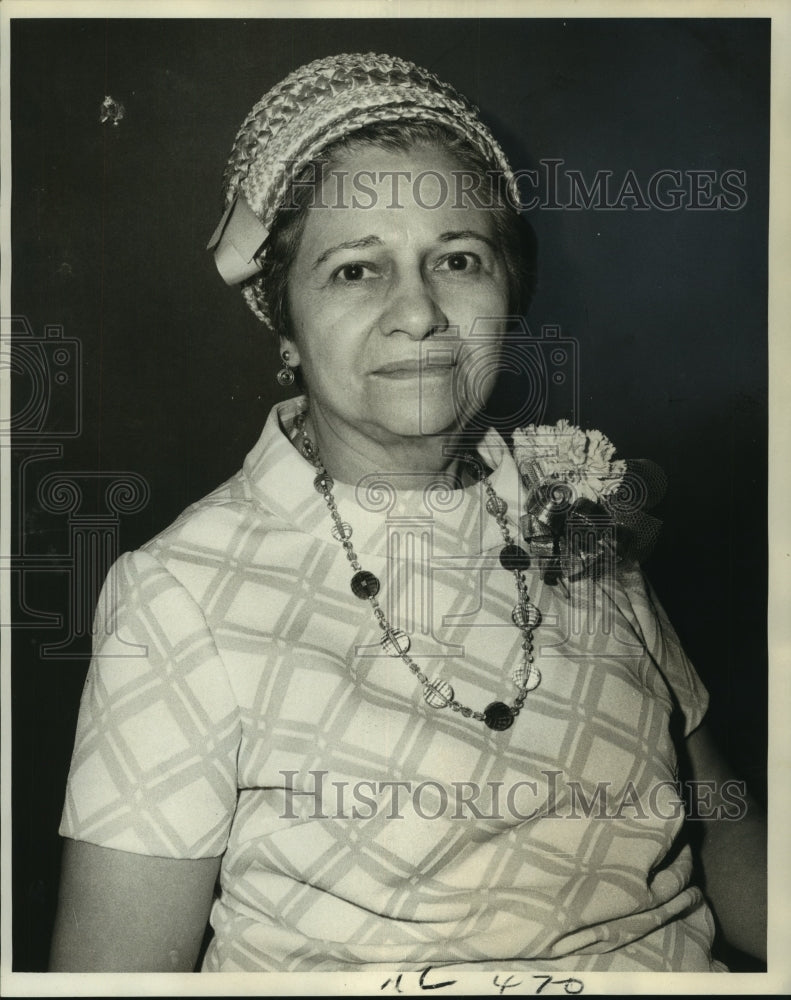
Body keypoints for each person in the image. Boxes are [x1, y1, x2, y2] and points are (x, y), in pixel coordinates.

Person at [49, 52, 765, 974]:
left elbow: (736, 863)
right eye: (354, 270)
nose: (419, 312)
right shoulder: (179, 594)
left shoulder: (580, 508)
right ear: (285, 323)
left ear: (511, 290)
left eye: (457, 260)